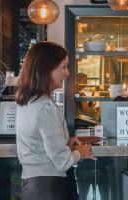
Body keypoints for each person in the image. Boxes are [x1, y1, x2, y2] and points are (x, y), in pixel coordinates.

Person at [15, 41, 95, 200]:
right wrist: (82, 151)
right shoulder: (45, 107)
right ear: (46, 69)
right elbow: (62, 162)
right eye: (63, 67)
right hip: (48, 187)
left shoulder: (27, 102)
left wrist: (66, 141)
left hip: (31, 186)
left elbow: (38, 143)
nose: (68, 73)